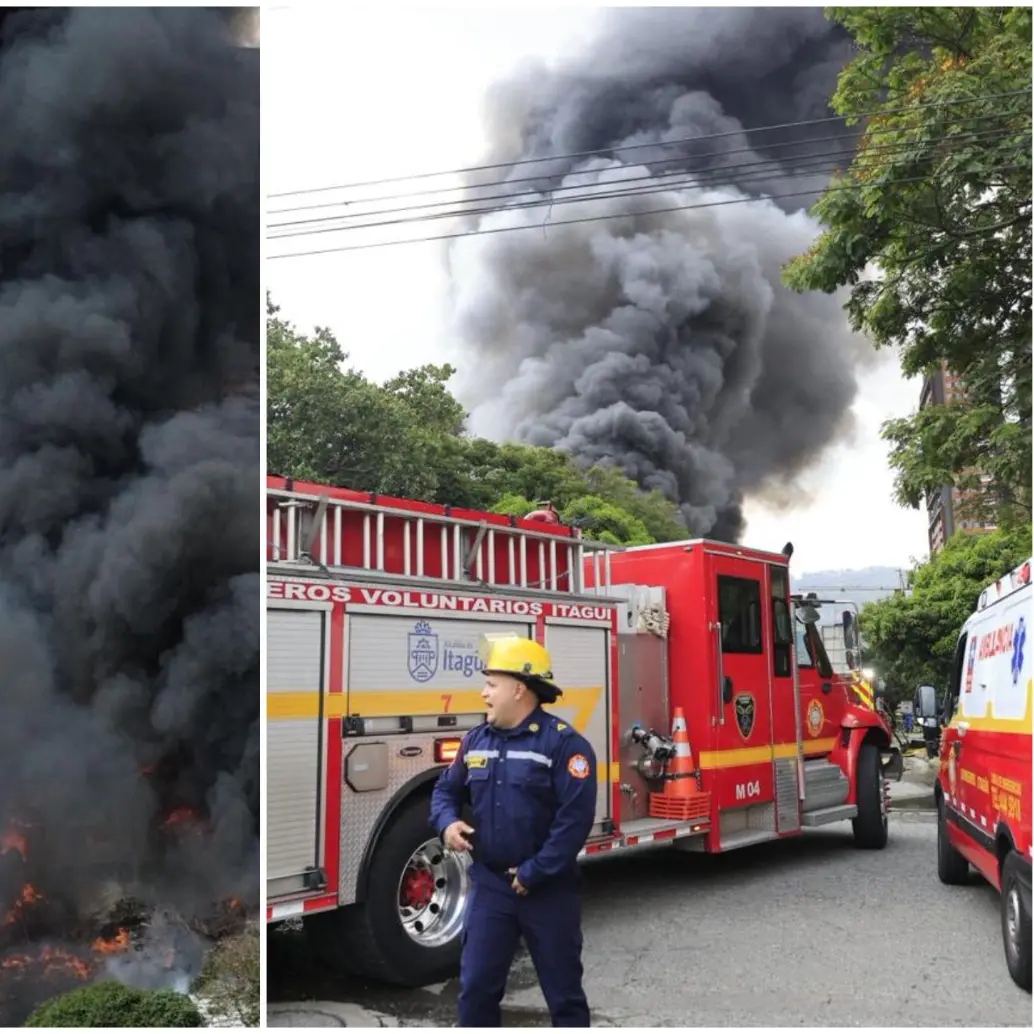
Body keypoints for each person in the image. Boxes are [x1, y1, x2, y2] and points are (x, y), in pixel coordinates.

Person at [429, 634, 597, 1028]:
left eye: (491, 684)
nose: (483, 692)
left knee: (565, 997)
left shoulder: (564, 745)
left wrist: (533, 872)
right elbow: (444, 791)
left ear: (518, 689)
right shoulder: (475, 740)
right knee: (476, 992)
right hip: (491, 887)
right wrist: (447, 822)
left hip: (547, 890)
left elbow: (574, 822)